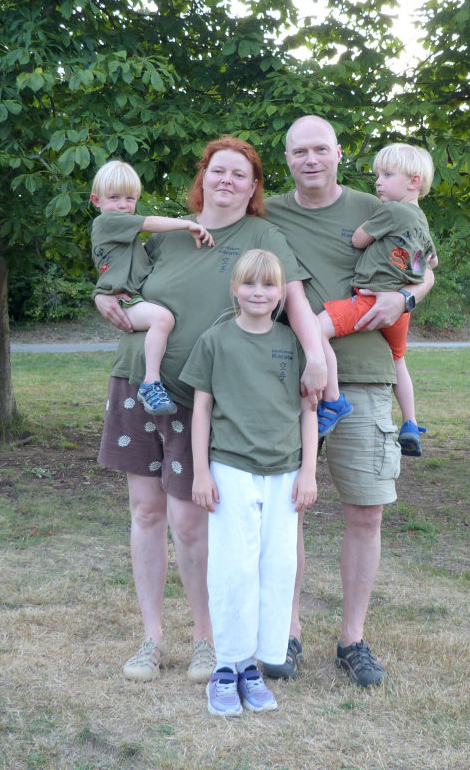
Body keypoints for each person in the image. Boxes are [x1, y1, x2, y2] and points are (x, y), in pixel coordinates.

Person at [94, 136, 325, 685]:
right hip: (137, 383)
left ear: (254, 186)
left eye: (240, 174)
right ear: (204, 177)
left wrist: (316, 356)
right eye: (218, 170)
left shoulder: (264, 236)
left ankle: (206, 639)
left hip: (199, 397)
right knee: (145, 513)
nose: (227, 180)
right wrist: (102, 297)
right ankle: (151, 638)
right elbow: (118, 279)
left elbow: (293, 300)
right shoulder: (166, 234)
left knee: (191, 522)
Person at [262, 115, 435, 686]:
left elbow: (425, 267)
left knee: (365, 511)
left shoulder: (379, 205)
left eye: (320, 149)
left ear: (338, 153)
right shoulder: (268, 213)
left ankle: (352, 640)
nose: (310, 159)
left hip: (365, 377)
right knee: (287, 511)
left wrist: (407, 297)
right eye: (299, 151)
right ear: (287, 159)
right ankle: (286, 634)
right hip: (284, 378)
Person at [180, 249, 318, 717]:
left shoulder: (293, 342)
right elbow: (201, 407)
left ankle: (254, 666)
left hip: (285, 471)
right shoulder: (215, 340)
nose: (259, 293)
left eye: (269, 285)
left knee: (277, 567)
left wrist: (309, 471)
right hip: (230, 467)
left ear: (281, 294)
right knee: (234, 567)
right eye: (249, 284)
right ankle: (226, 668)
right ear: (234, 289)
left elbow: (309, 410)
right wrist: (201, 470)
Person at [316, 143, 438, 456]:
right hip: (400, 310)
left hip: (369, 300)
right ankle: (410, 422)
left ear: (413, 181)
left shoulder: (393, 211)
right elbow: (429, 263)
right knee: (398, 360)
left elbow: (358, 239)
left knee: (315, 330)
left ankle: (333, 400)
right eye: (378, 176)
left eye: (387, 175)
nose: (378, 182)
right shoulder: (421, 222)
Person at [90, 159, 214, 415]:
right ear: (96, 200)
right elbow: (149, 223)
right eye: (113, 197)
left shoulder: (124, 238)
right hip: (124, 298)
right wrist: (188, 224)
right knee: (162, 318)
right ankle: (150, 383)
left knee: (161, 319)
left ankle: (151, 381)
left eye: (129, 198)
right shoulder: (107, 222)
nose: (122, 205)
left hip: (130, 297)